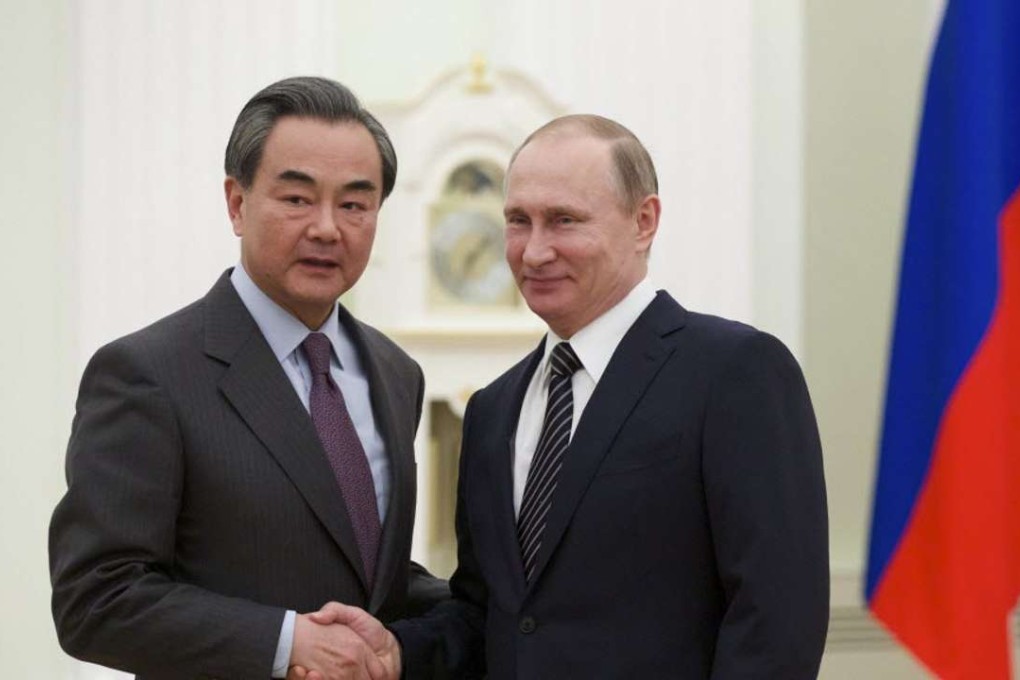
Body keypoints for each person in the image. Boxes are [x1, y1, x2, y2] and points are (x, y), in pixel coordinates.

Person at [305, 113, 830, 679]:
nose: (533, 252)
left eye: (563, 221)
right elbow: (490, 617)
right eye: (517, 221)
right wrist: (397, 651)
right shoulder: (491, 410)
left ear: (644, 221)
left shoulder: (734, 372)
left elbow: (776, 621)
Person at [49, 76, 447, 680]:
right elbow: (96, 598)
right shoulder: (146, 373)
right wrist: (286, 643)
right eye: (296, 199)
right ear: (237, 204)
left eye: (354, 204)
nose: (326, 228)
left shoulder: (396, 373)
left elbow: (363, 565)